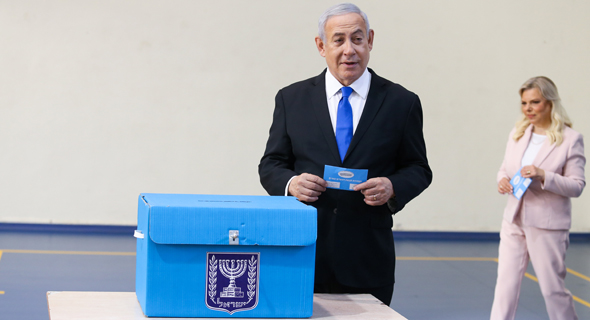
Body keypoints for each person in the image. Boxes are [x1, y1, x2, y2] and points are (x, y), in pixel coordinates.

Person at [258, 3, 432, 306]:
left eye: (358, 38)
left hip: (368, 258)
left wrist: (393, 187)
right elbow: (271, 164)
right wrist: (291, 184)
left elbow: (418, 168)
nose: (349, 50)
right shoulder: (292, 99)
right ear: (321, 46)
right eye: (338, 40)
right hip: (304, 252)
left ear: (371, 41)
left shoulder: (401, 102)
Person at [491, 76, 585, 320]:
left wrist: (544, 175)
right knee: (505, 287)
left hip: (547, 225)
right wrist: (502, 180)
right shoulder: (518, 133)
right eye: (524, 103)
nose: (528, 109)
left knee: (552, 290)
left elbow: (577, 186)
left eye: (535, 102)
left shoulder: (571, 139)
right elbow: (506, 168)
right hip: (513, 220)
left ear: (550, 102)